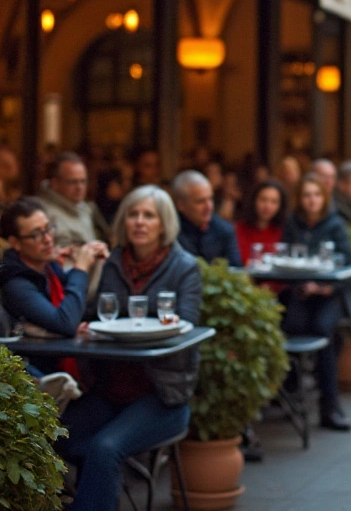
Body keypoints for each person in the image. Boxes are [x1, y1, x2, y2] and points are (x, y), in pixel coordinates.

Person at [57, 185, 201, 511]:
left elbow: (186, 328)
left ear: (163, 224)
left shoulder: (185, 267)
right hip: (108, 392)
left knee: (104, 448)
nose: (139, 222)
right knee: (50, 437)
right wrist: (85, 326)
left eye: (148, 215)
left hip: (162, 397)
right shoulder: (113, 263)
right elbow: (99, 315)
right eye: (133, 214)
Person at [0, 198, 109, 375]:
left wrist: (92, 263)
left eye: (48, 229)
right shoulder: (15, 282)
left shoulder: (48, 266)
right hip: (37, 379)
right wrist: (80, 267)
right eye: (36, 235)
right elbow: (65, 323)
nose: (48, 239)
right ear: (15, 243)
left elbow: (75, 307)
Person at [280, 174, 351, 431]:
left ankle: (329, 404)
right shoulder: (293, 223)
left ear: (324, 198)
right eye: (307, 195)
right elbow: (285, 257)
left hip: (329, 295)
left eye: (316, 195)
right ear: (300, 199)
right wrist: (303, 286)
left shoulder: (335, 225)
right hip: (300, 294)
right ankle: (289, 393)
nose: (312, 201)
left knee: (323, 331)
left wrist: (321, 288)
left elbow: (347, 267)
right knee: (290, 326)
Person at [38, 152, 110, 248]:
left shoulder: (84, 207)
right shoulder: (46, 215)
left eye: (83, 181)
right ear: (55, 184)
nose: (79, 187)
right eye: (72, 182)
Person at [172, 170, 242, 266]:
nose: (209, 206)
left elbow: (236, 270)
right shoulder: (170, 233)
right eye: (200, 201)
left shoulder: (224, 229)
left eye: (210, 199)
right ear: (181, 205)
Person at [235, 180, 288, 265]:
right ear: (254, 201)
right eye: (263, 200)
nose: (268, 206)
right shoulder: (240, 229)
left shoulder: (283, 229)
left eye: (274, 202)